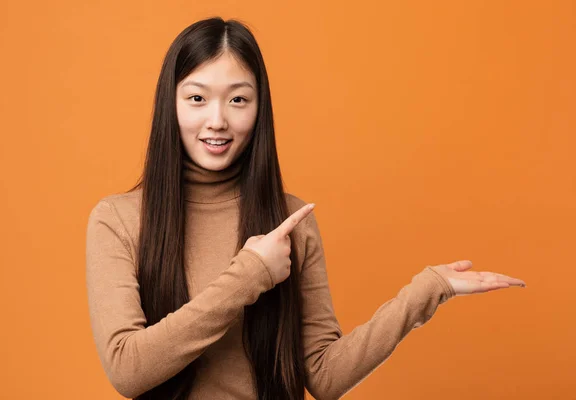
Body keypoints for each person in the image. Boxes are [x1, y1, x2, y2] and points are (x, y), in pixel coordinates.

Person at [85, 17, 526, 400]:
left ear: (260, 110)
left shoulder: (291, 221)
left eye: (238, 99)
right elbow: (128, 370)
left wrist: (428, 290)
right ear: (171, 104)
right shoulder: (119, 219)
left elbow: (326, 376)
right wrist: (251, 274)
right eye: (197, 98)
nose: (217, 120)